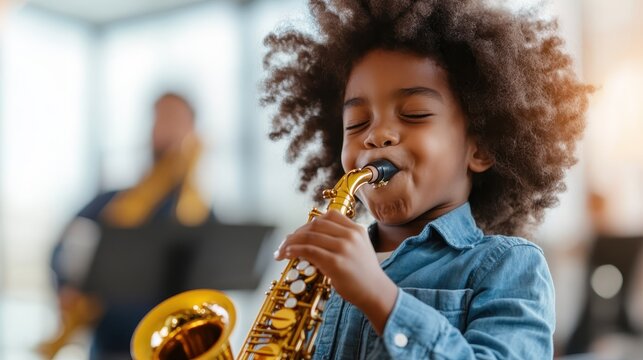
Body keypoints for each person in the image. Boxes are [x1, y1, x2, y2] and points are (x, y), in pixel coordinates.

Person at [268, 0, 593, 359]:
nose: (376, 135)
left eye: (414, 114)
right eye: (357, 123)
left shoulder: (507, 265)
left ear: (481, 149)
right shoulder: (323, 274)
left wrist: (380, 296)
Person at [43, 92, 214, 360]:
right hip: (110, 347)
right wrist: (66, 285)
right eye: (158, 118)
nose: (163, 128)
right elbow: (62, 249)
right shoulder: (109, 203)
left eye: (173, 119)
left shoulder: (202, 214)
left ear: (192, 130)